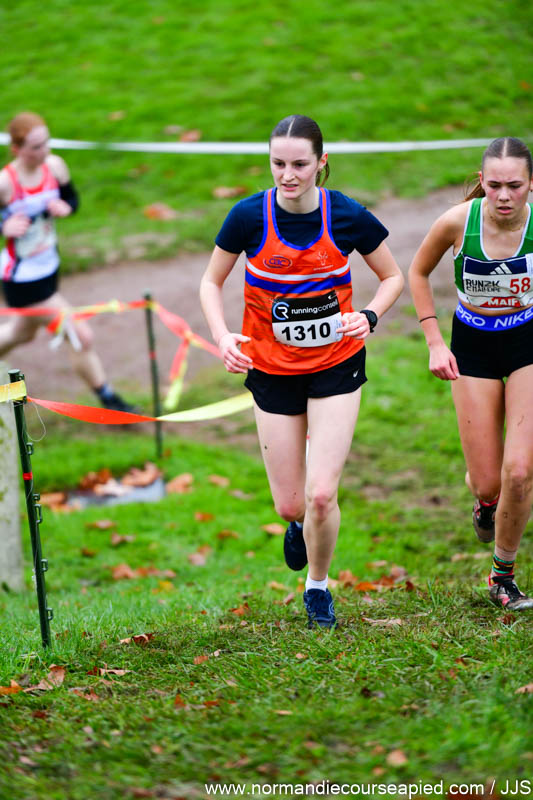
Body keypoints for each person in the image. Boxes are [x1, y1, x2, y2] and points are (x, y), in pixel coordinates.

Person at [200, 114, 403, 629]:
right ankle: (297, 524)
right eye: (278, 164)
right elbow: (210, 282)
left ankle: (317, 586)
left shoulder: (347, 215)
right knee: (291, 505)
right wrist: (223, 336)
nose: (287, 175)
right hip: (272, 370)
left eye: (299, 164)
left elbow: (393, 276)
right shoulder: (248, 216)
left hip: (336, 365)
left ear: (321, 162)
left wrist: (369, 316)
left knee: (321, 494)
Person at [408, 137, 533, 612]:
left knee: (519, 471)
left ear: (530, 184)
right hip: (473, 348)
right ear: (482, 181)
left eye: (514, 186)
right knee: (489, 483)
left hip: (526, 344)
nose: (503, 196)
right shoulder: (458, 222)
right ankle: (485, 505)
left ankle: (503, 577)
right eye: (494, 185)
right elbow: (418, 272)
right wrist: (434, 342)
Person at [0, 112, 133, 412]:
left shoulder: (55, 166)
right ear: (17, 149)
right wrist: (3, 227)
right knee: (79, 335)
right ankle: (110, 401)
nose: (44, 151)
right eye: (36, 147)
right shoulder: (6, 183)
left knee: (21, 333)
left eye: (46, 143)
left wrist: (66, 208)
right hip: (21, 280)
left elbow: (73, 200)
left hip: (49, 268)